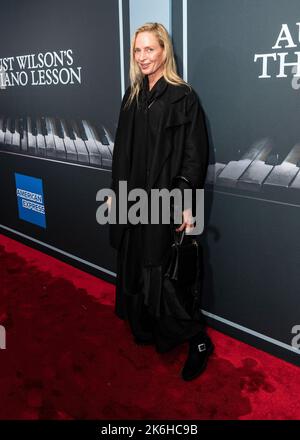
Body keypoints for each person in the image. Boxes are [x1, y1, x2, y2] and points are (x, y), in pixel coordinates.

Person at [107, 22, 213, 381]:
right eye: (137, 50)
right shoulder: (133, 95)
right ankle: (147, 329)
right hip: (132, 199)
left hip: (164, 200)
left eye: (149, 49)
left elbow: (194, 156)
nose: (142, 57)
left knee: (165, 275)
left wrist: (184, 204)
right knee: (136, 264)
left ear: (164, 51)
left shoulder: (183, 97)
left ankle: (197, 339)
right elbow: (122, 153)